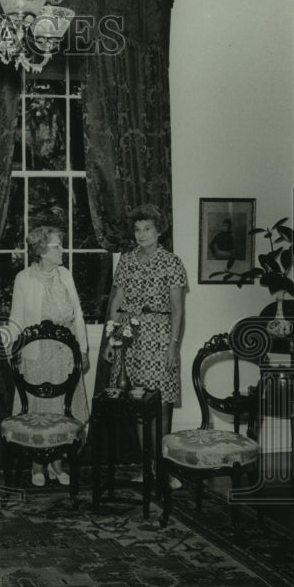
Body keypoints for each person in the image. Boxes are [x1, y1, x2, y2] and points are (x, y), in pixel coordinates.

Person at [102, 204, 187, 488]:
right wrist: (112, 341)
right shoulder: (126, 261)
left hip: (160, 336)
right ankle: (146, 466)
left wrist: (173, 346)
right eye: (137, 230)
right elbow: (116, 304)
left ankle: (164, 469)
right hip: (130, 338)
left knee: (161, 405)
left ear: (159, 230)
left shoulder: (172, 262)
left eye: (147, 229)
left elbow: (177, 310)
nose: (141, 235)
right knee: (137, 406)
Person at [5, 225, 90, 487]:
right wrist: (12, 349)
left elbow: (77, 314)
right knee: (39, 410)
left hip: (65, 355)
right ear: (42, 250)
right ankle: (37, 466)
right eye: (57, 246)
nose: (62, 250)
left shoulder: (65, 275)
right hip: (36, 354)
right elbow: (17, 317)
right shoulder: (24, 278)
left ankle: (57, 464)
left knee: (62, 411)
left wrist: (83, 350)